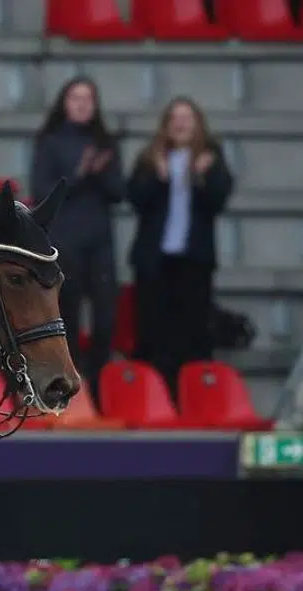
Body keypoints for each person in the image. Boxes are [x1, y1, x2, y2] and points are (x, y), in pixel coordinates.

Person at [126, 96, 234, 390]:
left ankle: (194, 396)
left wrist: (201, 175)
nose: (181, 123)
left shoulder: (211, 157)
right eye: (175, 118)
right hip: (154, 262)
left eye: (187, 118)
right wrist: (159, 177)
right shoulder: (150, 157)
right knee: (154, 333)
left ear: (198, 124)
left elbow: (218, 200)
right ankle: (157, 396)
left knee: (194, 333)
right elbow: (136, 198)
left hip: (194, 261)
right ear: (166, 125)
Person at [29, 76, 125, 396]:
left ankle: (97, 383)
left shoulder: (105, 143)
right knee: (66, 317)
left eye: (88, 99)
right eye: (76, 98)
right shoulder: (50, 141)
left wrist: (100, 171)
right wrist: (79, 174)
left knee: (106, 318)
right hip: (64, 242)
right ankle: (68, 387)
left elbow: (118, 192)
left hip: (100, 243)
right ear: (64, 103)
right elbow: (42, 192)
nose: (82, 104)